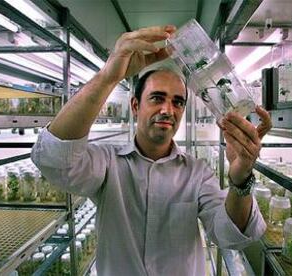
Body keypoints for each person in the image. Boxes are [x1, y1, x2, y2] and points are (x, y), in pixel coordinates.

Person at [31, 25, 272, 275]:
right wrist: (108, 77)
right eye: (157, 98)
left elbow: (229, 234)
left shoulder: (197, 173)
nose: (168, 110)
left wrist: (241, 178)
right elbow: (54, 159)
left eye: (177, 102)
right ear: (135, 106)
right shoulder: (108, 163)